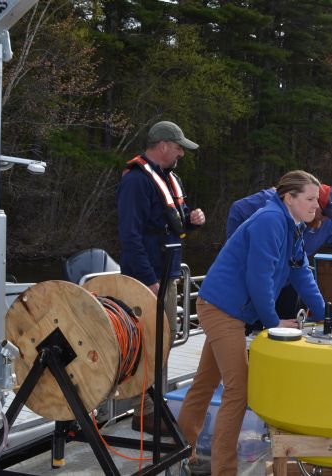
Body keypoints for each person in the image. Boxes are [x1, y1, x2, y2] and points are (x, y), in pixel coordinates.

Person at [178, 170, 326, 476]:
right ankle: (224, 470)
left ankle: (182, 447)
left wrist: (324, 313)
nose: (316, 205)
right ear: (290, 197)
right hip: (221, 308)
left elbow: (300, 271)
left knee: (205, 382)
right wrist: (273, 324)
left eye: (317, 199)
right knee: (238, 389)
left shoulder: (293, 226)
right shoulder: (269, 221)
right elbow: (258, 280)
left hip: (234, 311)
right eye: (310, 198)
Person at [117, 120, 206, 433]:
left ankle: (155, 406)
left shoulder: (169, 178)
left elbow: (172, 223)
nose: (182, 152)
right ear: (164, 145)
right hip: (147, 280)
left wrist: (193, 221)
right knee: (147, 346)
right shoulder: (136, 182)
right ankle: (146, 413)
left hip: (165, 276)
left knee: (162, 344)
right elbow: (130, 238)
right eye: (179, 146)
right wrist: (149, 281)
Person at [227, 183, 332, 320]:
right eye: (324, 214)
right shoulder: (273, 203)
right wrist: (242, 255)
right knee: (251, 325)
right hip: (255, 280)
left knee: (286, 325)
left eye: (329, 216)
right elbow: (238, 209)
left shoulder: (326, 224)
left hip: (286, 281)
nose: (325, 219)